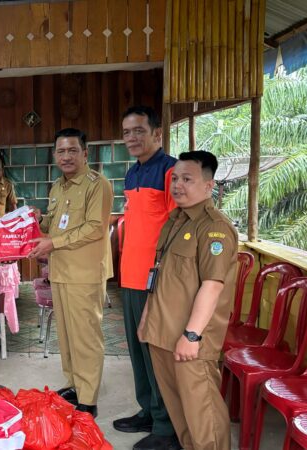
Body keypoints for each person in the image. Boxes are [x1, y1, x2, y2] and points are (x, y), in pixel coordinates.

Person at [138, 151, 237, 450]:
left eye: (188, 179)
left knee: (202, 411)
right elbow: (162, 276)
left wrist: (191, 335)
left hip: (189, 340)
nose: (178, 185)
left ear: (208, 185)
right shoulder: (176, 220)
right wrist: (147, 318)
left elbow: (212, 286)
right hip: (163, 333)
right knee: (180, 410)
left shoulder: (213, 228)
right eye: (175, 178)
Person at [29, 128, 113, 418]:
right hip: (61, 271)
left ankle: (88, 398)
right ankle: (74, 383)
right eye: (61, 151)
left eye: (72, 150)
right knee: (66, 335)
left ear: (85, 153)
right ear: (55, 155)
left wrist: (53, 241)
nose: (66, 156)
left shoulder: (97, 184)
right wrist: (38, 220)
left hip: (85, 273)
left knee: (86, 336)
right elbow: (55, 222)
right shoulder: (57, 186)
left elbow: (94, 227)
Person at [115, 106, 180, 450]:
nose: (132, 138)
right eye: (127, 132)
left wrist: (163, 275)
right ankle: (147, 410)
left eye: (139, 130)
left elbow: (174, 228)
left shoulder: (171, 172)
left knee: (156, 353)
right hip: (129, 276)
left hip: (155, 280)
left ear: (157, 133)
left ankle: (166, 426)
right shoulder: (131, 174)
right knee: (137, 351)